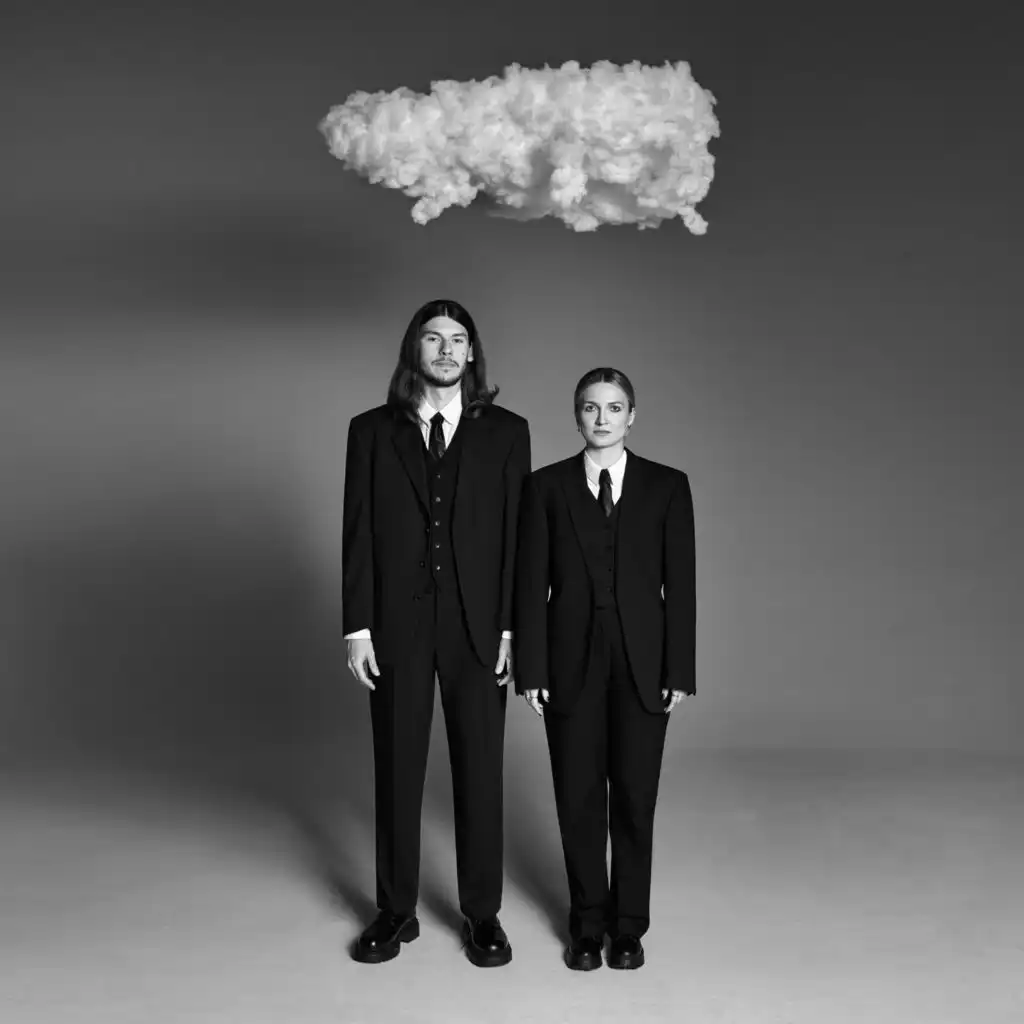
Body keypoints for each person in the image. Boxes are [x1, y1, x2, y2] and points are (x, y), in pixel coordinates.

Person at [342, 299, 531, 966]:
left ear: (472, 353)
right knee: (397, 768)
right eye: (433, 339)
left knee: (480, 771)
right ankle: (395, 910)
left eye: (457, 339)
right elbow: (359, 532)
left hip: (480, 627)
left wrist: (512, 628)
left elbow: (518, 538)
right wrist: (357, 627)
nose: (446, 350)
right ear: (414, 350)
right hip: (397, 625)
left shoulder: (508, 432)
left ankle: (483, 914)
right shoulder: (370, 431)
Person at [513, 367, 695, 971]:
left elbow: (682, 586)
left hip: (645, 666)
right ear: (577, 416)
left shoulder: (667, 486)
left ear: (631, 416)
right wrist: (532, 669)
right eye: (590, 408)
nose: (602, 418)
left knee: (636, 801)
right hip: (569, 664)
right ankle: (587, 926)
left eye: (614, 408)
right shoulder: (545, 488)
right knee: (579, 799)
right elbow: (530, 584)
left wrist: (679, 669)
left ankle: (629, 928)